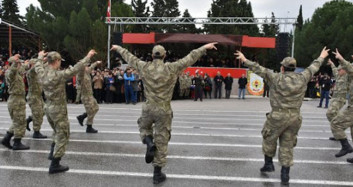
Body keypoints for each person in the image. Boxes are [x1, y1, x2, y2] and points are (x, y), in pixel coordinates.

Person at [111, 42, 217, 184]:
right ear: (164, 55)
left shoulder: (144, 66)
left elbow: (130, 58)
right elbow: (190, 57)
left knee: (143, 128)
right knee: (161, 140)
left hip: (148, 107)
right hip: (163, 110)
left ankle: (148, 142)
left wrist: (119, 48)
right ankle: (157, 174)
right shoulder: (171, 68)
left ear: (152, 55)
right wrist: (204, 48)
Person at [235, 47, 329, 185]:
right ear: (294, 68)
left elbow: (258, 69)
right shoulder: (303, 77)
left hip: (278, 116)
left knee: (268, 137)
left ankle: (268, 164)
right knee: (287, 144)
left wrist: (244, 59)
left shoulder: (275, 77)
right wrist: (321, 56)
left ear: (283, 68)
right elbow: (313, 67)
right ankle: (285, 174)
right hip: (295, 118)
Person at [35, 49, 96, 174]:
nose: (60, 64)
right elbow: (76, 68)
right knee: (63, 135)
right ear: (56, 61)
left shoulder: (43, 73)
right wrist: (88, 56)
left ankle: (52, 153)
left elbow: (37, 66)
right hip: (58, 110)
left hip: (48, 107)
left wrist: (40, 57)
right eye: (59, 61)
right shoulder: (58, 75)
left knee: (57, 132)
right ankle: (55, 164)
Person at [1, 55, 30, 150]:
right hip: (15, 100)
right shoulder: (10, 72)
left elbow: (22, 69)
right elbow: (13, 70)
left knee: (18, 121)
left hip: (18, 99)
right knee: (19, 122)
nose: (19, 65)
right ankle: (17, 143)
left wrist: (26, 64)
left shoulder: (16, 73)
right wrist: (15, 62)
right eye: (18, 63)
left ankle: (6, 139)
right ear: (13, 64)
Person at [329, 50, 353, 163]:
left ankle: (346, 146)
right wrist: (335, 63)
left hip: (348, 105)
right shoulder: (341, 74)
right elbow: (337, 70)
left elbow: (349, 68)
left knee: (335, 123)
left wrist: (341, 59)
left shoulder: (348, 74)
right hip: (348, 103)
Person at [326, 59, 348, 141]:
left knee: (330, 113)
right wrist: (331, 63)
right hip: (334, 98)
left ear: (345, 70)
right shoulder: (338, 75)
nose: (338, 71)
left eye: (340, 70)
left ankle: (339, 129)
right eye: (338, 70)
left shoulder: (348, 76)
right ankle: (338, 132)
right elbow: (334, 69)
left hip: (340, 99)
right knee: (334, 115)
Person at [76, 61, 101, 133]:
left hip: (90, 95)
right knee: (90, 111)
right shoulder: (80, 75)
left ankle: (82, 117)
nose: (88, 67)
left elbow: (91, 67)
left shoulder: (86, 72)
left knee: (96, 108)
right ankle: (89, 127)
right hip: (85, 96)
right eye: (86, 66)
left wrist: (96, 63)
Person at [26, 59, 47, 139]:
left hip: (39, 96)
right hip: (33, 97)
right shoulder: (30, 73)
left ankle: (29, 120)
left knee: (44, 111)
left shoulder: (37, 74)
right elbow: (34, 68)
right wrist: (40, 59)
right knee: (38, 114)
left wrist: (47, 60)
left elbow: (43, 67)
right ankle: (36, 132)